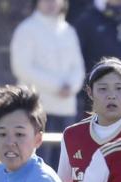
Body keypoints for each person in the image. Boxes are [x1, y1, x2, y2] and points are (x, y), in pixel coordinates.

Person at [10, 0, 85, 170]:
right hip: (36, 110)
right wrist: (57, 86)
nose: (51, 3)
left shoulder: (69, 31)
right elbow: (22, 67)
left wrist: (71, 86)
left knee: (63, 168)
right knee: (38, 167)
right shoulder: (27, 29)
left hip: (66, 110)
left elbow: (78, 68)